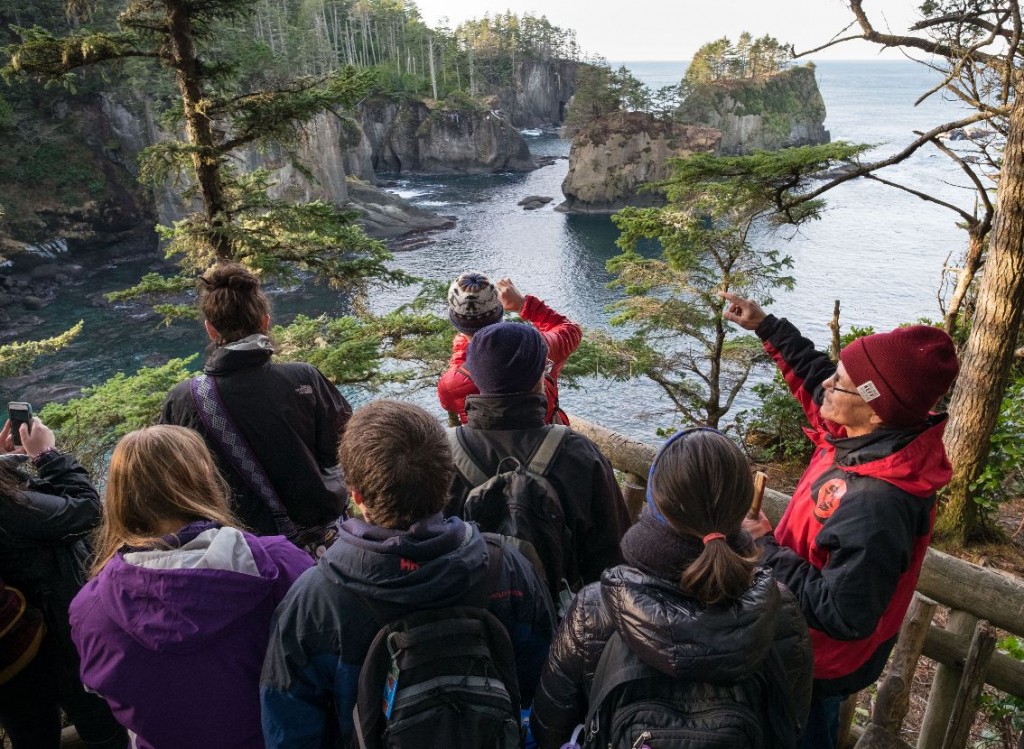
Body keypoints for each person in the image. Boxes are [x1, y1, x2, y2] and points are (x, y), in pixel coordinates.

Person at [720, 291, 960, 749]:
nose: (828, 385)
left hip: (812, 660)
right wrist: (766, 326)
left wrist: (764, 549)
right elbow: (815, 378)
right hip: (795, 634)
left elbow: (843, 612)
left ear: (876, 407)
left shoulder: (878, 501)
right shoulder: (865, 434)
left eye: (841, 383)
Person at [260, 400, 555, 748]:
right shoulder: (505, 567)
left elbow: (289, 730)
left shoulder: (314, 600)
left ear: (356, 496)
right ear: (447, 482)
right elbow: (544, 696)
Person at [530, 427, 813, 749]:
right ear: (741, 507)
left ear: (657, 503)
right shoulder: (780, 608)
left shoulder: (596, 607)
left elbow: (549, 726)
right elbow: (790, 723)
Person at [69, 425, 313, 749]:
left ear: (117, 498)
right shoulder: (279, 564)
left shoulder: (90, 610)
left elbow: (106, 689)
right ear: (205, 479)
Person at [161, 262, 351, 550]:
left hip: (239, 553)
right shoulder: (303, 378)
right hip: (320, 544)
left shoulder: (183, 399)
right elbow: (344, 447)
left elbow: (177, 484)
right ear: (265, 321)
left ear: (211, 330)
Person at [446, 322, 630, 602]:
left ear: (474, 375)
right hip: (565, 619)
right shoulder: (577, 453)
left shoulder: (441, 454)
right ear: (539, 378)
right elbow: (613, 554)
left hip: (472, 626)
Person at [0, 416, 126, 749]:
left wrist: (6, 466)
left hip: (11, 649)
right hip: (55, 637)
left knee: (31, 733)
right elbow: (86, 511)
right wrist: (48, 456)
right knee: (103, 726)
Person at [439, 272, 582, 425]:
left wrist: (464, 343)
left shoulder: (452, 384)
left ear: (454, 320)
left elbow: (450, 402)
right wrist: (523, 304)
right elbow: (570, 330)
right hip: (549, 440)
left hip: (489, 447)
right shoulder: (537, 347)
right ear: (500, 309)